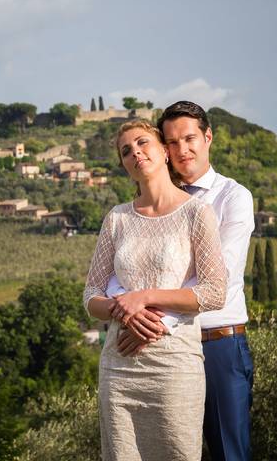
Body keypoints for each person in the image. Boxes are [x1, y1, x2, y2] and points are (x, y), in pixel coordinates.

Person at [108, 101, 255, 461]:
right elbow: (119, 273)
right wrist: (130, 311)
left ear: (208, 138)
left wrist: (149, 320)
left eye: (189, 139)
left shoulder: (233, 198)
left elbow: (220, 277)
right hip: (159, 353)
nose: (181, 149)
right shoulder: (144, 204)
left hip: (216, 343)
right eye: (171, 142)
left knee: (228, 454)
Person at [83, 119, 227, 461]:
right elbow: (90, 295)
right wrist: (124, 310)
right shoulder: (116, 219)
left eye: (142, 143)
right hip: (119, 368)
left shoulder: (197, 213)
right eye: (126, 151)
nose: (135, 152)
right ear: (124, 166)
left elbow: (214, 292)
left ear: (164, 150)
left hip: (174, 365)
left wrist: (144, 297)